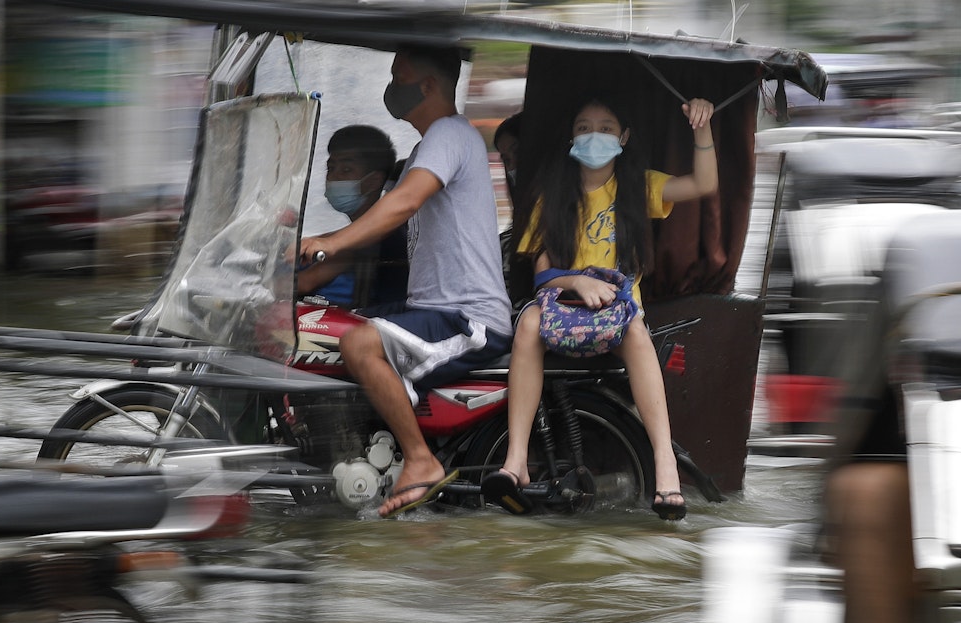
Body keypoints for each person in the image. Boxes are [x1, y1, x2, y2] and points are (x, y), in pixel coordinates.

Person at [298, 45, 513, 518]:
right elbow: (371, 232)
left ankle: (420, 460)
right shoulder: (425, 148)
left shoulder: (450, 134)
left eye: (400, 76)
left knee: (357, 344)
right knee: (326, 331)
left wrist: (325, 245)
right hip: (431, 309)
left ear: (429, 86)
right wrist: (297, 263)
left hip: (467, 316)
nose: (392, 87)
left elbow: (403, 204)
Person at [485, 95, 717, 520]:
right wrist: (576, 280)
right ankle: (516, 460)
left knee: (636, 332)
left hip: (619, 313)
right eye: (584, 127)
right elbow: (541, 277)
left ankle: (665, 462)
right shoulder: (549, 196)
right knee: (527, 325)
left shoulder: (640, 187)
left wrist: (702, 129)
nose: (595, 136)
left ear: (624, 137)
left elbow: (702, 185)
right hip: (562, 310)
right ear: (571, 137)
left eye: (607, 128)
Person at [297, 125, 406, 305]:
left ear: (373, 181)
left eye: (346, 170)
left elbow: (304, 283)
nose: (333, 177)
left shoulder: (368, 237)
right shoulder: (357, 232)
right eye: (330, 168)